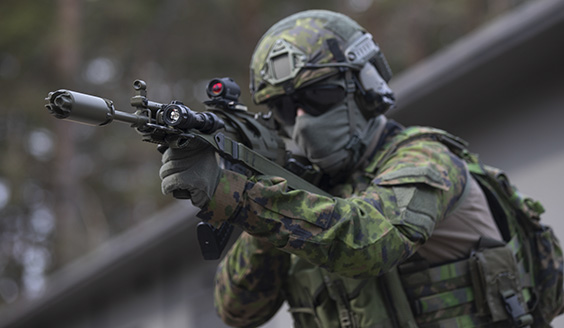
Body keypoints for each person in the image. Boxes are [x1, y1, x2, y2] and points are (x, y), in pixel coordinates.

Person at [159, 10, 563, 327]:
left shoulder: (426, 158)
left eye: (317, 96)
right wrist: (264, 198)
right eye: (282, 108)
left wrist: (238, 195)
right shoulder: (299, 195)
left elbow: (372, 242)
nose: (300, 119)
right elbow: (237, 310)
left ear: (366, 89)